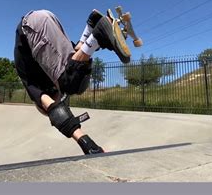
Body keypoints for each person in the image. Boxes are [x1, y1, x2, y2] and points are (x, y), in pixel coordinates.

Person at [13, 9, 131, 155]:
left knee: (70, 83)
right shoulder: (50, 65)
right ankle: (91, 26)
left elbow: (56, 114)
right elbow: (78, 55)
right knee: (75, 68)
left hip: (30, 28)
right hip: (44, 20)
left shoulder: (35, 89)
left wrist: (87, 144)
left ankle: (97, 35)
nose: (61, 101)